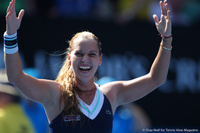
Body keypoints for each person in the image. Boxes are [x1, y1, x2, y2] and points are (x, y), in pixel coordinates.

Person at [3, 0, 172, 132]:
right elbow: (16, 77)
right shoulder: (55, 94)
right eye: (79, 54)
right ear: (69, 58)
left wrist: (166, 39)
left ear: (100, 59)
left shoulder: (111, 94)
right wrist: (10, 36)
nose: (85, 59)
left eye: (91, 54)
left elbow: (156, 78)